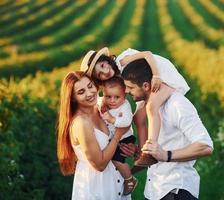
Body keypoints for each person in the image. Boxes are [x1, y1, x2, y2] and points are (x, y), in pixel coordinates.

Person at [80, 47, 190, 167]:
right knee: (138, 118)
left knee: (151, 107)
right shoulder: (116, 78)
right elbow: (116, 95)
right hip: (144, 83)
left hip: (162, 74)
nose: (105, 72)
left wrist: (156, 75)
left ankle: (150, 150)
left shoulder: (121, 61)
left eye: (102, 66)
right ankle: (143, 154)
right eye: (100, 74)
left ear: (106, 61)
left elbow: (147, 54)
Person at [121, 59, 214, 200]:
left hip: (176, 191)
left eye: (130, 87)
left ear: (145, 86)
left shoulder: (177, 104)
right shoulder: (151, 108)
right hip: (154, 191)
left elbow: (206, 146)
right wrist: (138, 152)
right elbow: (156, 152)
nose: (126, 91)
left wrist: (166, 155)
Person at [56, 71, 131, 200]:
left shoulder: (99, 109)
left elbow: (111, 144)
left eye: (90, 86)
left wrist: (129, 148)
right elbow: (100, 164)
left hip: (115, 183)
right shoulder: (81, 123)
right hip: (96, 188)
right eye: (81, 92)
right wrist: (118, 134)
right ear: (72, 98)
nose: (89, 93)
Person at [98, 76, 137, 195]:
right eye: (108, 96)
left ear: (124, 96)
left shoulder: (124, 106)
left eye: (117, 97)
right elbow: (97, 101)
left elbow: (127, 121)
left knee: (116, 160)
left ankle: (130, 179)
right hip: (115, 137)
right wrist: (101, 104)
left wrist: (113, 119)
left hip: (125, 137)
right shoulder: (104, 103)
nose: (112, 101)